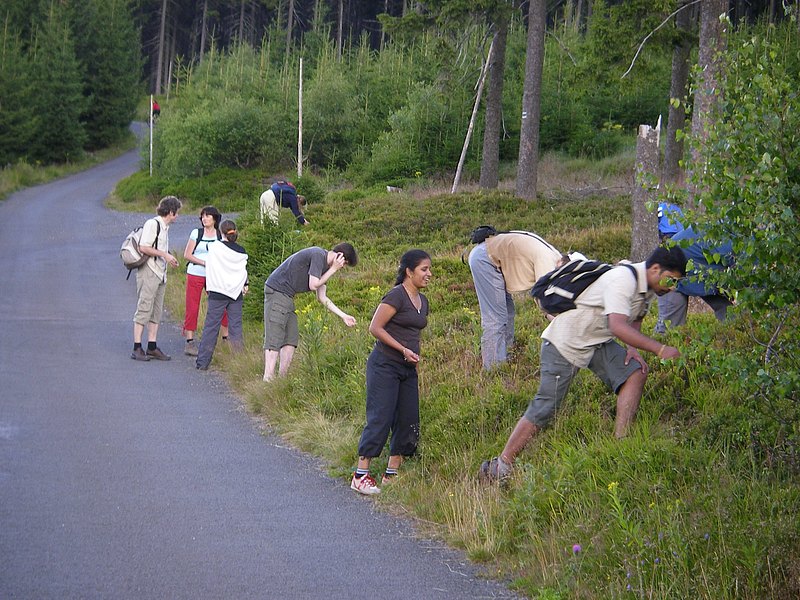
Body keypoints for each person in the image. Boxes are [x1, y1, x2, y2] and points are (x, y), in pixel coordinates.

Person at [478, 245, 688, 483]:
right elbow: (618, 325)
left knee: (635, 372)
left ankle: (621, 445)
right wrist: (660, 349)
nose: (672, 288)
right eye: (671, 280)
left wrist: (633, 349)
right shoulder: (624, 280)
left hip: (595, 342)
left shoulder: (647, 288)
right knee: (547, 406)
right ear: (656, 268)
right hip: (564, 342)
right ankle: (501, 465)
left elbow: (636, 317)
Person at [351, 250, 432, 495]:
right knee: (381, 416)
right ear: (409, 271)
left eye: (429, 269)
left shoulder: (423, 301)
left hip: (408, 368)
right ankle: (360, 475)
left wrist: (412, 356)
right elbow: (375, 327)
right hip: (385, 364)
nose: (429, 274)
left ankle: (391, 474)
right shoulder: (396, 296)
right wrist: (402, 349)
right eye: (424, 269)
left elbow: (412, 332)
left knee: (408, 418)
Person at [467, 230, 568, 369]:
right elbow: (542, 299)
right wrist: (561, 322)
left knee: (508, 312)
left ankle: (504, 356)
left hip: (492, 256)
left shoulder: (557, 257)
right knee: (496, 318)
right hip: (486, 259)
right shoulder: (548, 261)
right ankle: (493, 368)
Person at [263, 243, 358, 381]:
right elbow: (313, 285)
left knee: (291, 338)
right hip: (277, 291)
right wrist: (333, 269)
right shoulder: (318, 255)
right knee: (275, 335)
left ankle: (282, 380)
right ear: (339, 256)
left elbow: (322, 297)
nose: (342, 267)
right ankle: (268, 378)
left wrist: (343, 315)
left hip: (288, 296)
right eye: (344, 263)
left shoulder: (325, 267)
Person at [654, 227, 734, 333]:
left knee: (731, 314)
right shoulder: (728, 240)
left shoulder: (737, 235)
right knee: (669, 328)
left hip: (705, 276)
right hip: (673, 274)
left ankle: (739, 340)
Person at [131, 195, 182, 361]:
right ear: (171, 212)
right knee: (144, 307)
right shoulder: (153, 224)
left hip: (160, 273)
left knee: (156, 311)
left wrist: (168, 259)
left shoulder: (165, 227)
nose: (178, 216)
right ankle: (137, 347)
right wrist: (164, 255)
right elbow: (143, 247)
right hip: (149, 271)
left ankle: (152, 346)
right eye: (177, 212)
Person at [196, 220, 249, 371]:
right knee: (236, 328)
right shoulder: (241, 251)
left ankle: (203, 362)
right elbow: (243, 272)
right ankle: (238, 364)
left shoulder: (214, 248)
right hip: (235, 294)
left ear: (221, 232)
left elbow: (210, 266)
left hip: (218, 292)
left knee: (211, 327)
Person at [182, 206, 228, 356]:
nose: (204, 219)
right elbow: (187, 255)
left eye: (208, 216)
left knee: (220, 304)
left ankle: (226, 338)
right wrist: (204, 263)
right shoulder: (197, 233)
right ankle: (190, 342)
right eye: (202, 216)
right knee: (192, 306)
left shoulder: (220, 235)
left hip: (214, 275)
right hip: (195, 272)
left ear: (215, 218)